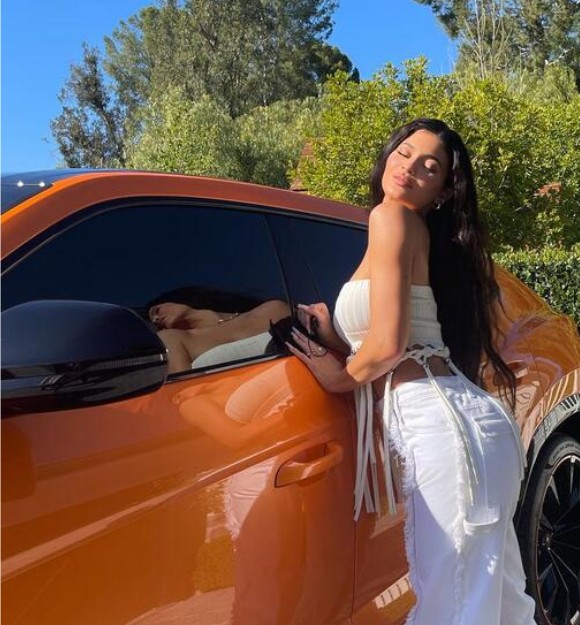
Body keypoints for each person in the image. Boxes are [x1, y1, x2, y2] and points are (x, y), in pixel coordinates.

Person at [286, 118, 536, 625]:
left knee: (454, 602)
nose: (409, 168)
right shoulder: (409, 230)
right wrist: (337, 336)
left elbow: (388, 345)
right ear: (389, 154)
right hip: (468, 423)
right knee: (497, 595)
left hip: (442, 427)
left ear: (442, 191)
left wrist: (339, 376)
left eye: (429, 166)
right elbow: (396, 332)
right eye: (404, 153)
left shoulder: (389, 218)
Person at [147, 287, 290, 373]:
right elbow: (185, 393)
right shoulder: (171, 339)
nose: (155, 319)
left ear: (177, 299)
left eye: (156, 311)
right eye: (153, 321)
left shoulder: (272, 308)